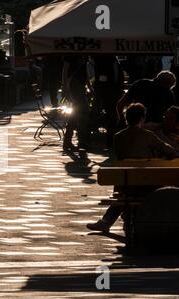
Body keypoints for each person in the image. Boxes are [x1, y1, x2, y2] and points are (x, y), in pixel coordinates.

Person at [87, 103, 176, 232]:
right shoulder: (148, 135)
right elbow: (170, 151)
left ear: (126, 118)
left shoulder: (117, 137)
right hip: (148, 185)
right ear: (142, 118)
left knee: (126, 192)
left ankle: (106, 222)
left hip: (126, 184)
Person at [92, 55, 124, 149]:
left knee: (113, 117)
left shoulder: (111, 60)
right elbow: (103, 79)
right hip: (109, 94)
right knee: (112, 117)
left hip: (112, 93)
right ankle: (111, 142)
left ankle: (112, 141)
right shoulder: (104, 61)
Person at [62, 55, 91, 150]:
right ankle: (79, 141)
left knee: (76, 114)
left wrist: (89, 85)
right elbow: (65, 70)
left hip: (80, 86)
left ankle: (70, 141)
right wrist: (65, 87)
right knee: (83, 112)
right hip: (74, 85)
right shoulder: (70, 54)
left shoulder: (84, 52)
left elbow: (85, 70)